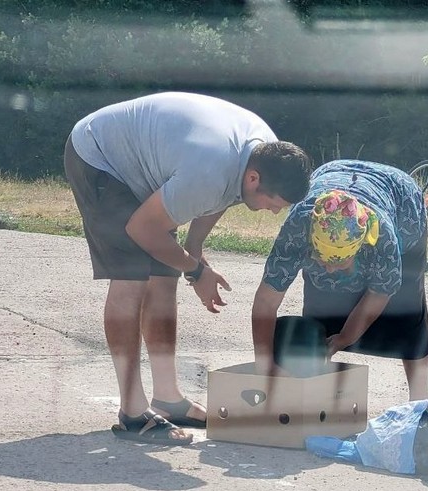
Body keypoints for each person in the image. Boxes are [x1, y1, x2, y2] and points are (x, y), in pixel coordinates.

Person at [64, 92, 312, 445]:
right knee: (131, 279)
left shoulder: (264, 153)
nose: (274, 212)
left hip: (152, 165)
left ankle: (168, 397)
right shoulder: (208, 169)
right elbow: (142, 229)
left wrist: (195, 252)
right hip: (101, 157)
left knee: (164, 280)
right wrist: (196, 271)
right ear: (256, 179)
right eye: (274, 204)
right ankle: (133, 412)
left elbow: (226, 192)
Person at [251, 159, 428, 400]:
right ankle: (310, 395)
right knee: (319, 315)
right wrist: (266, 367)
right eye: (320, 260)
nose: (329, 269)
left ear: (359, 251)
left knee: (406, 312)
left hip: (400, 198)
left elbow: (381, 292)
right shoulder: (297, 228)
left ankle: (418, 402)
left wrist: (347, 337)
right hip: (331, 174)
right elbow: (266, 302)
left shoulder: (383, 239)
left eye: (338, 263)